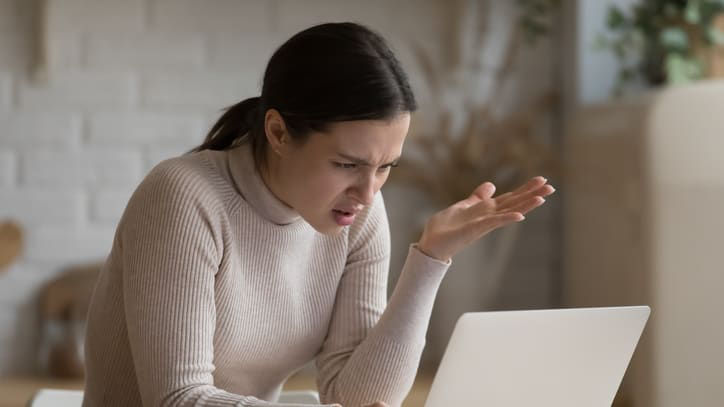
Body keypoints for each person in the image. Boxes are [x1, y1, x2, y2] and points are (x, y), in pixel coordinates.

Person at [82, 22, 554, 407]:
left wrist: (430, 259)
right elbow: (178, 399)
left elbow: (356, 397)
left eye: (386, 167)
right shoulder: (184, 197)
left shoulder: (357, 214)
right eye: (347, 165)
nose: (367, 192)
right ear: (279, 133)